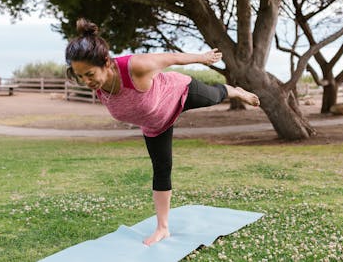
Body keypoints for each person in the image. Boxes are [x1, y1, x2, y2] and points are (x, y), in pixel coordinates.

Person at [65, 18, 260, 246]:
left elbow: (172, 58)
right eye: (80, 76)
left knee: (215, 96)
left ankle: (235, 91)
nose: (86, 81)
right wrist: (90, 78)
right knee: (161, 168)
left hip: (179, 93)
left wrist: (203, 57)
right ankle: (163, 228)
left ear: (106, 62)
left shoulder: (136, 66)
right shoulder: (98, 85)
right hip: (156, 125)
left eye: (89, 74)